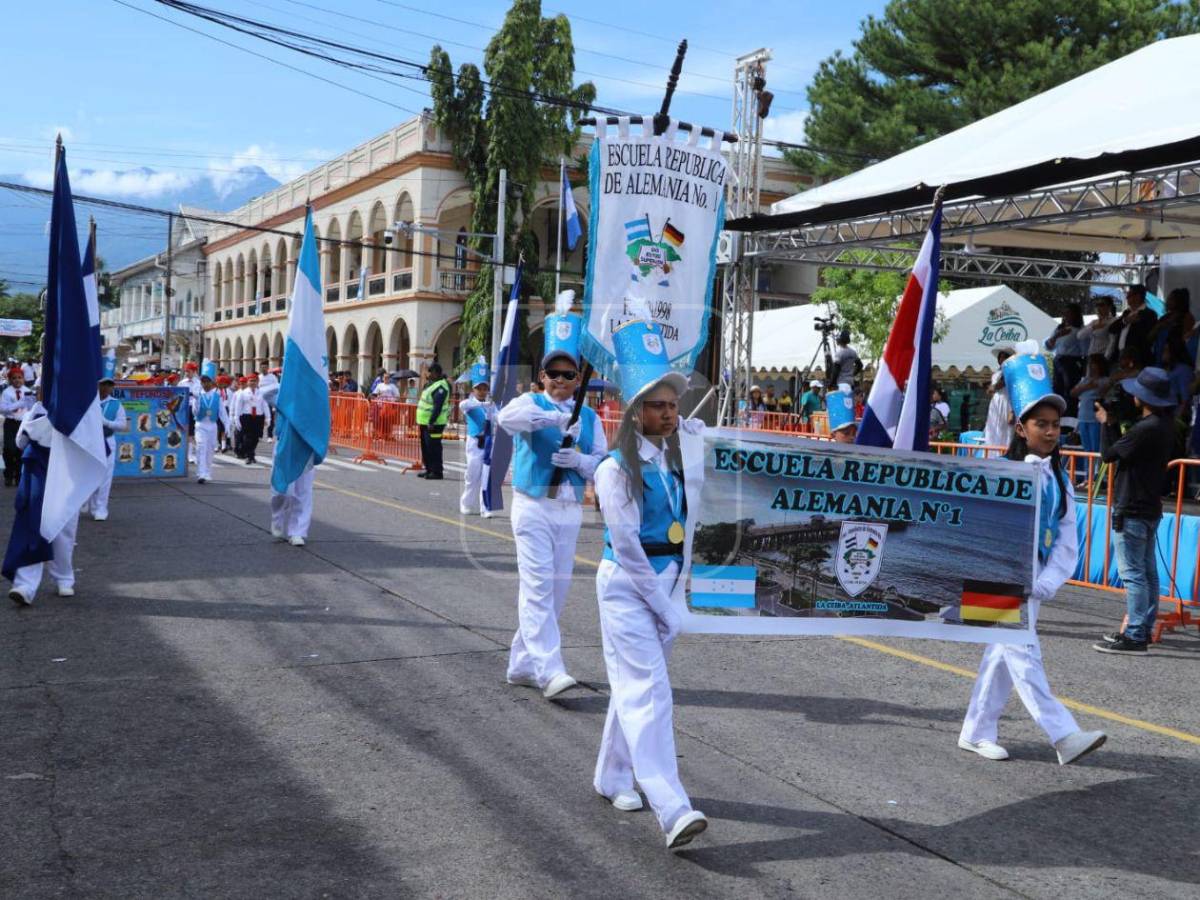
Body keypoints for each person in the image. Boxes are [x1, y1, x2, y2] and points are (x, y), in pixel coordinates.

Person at [959, 342, 1107, 765]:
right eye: (1040, 423)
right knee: (1023, 654)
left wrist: (1046, 581)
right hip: (995, 578)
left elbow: (1066, 539)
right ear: (1019, 427)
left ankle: (975, 730)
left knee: (1002, 659)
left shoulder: (1060, 480)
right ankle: (1063, 734)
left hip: (1032, 584)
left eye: (1055, 425)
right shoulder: (999, 475)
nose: (1050, 431)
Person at [592, 313, 707, 851]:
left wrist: (676, 594)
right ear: (635, 412)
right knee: (651, 692)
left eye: (672, 404)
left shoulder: (676, 459)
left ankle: (612, 775)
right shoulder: (614, 469)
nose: (669, 413)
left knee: (633, 687)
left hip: (667, 584)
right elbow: (629, 545)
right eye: (657, 405)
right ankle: (671, 805)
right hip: (628, 588)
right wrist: (661, 604)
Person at [496, 293, 607, 699]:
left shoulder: (592, 417)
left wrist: (578, 460)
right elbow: (505, 419)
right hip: (532, 507)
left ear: (580, 379)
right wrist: (552, 417)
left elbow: (603, 464)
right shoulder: (530, 402)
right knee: (538, 588)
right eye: (553, 374)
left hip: (569, 509)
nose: (561, 381)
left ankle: (521, 663)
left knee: (555, 595)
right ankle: (549, 669)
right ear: (542, 376)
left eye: (568, 375)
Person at [1093, 367, 1179, 653]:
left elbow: (1108, 455)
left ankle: (1136, 634)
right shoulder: (1165, 426)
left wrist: (1106, 423)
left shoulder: (1145, 429)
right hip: (1150, 507)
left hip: (1131, 507)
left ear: (1143, 397)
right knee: (1148, 573)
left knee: (1133, 574)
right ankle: (1142, 628)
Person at [4, 395, 78, 605]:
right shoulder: (36, 410)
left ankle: (64, 578)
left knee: (63, 528)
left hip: (65, 470)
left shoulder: (77, 409)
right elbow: (20, 442)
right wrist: (35, 421)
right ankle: (26, 584)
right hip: (39, 472)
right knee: (33, 525)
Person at [87, 366, 128, 520]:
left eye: (109, 385)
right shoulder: (89, 402)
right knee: (90, 474)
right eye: (103, 384)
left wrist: (107, 423)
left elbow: (122, 425)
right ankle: (91, 504)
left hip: (108, 441)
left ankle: (101, 508)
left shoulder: (116, 404)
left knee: (105, 477)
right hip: (90, 441)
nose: (106, 388)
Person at [458, 358, 494, 517]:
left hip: (488, 442)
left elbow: (500, 418)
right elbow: (463, 406)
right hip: (474, 443)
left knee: (487, 476)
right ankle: (466, 503)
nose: (482, 391)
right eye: (479, 388)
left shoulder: (491, 405)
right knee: (472, 475)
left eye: (484, 388)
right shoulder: (469, 404)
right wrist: (483, 405)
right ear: (473, 389)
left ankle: (485, 507)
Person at [192, 363, 231, 484]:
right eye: (203, 382)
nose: (205, 384)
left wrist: (227, 425)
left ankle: (207, 471)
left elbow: (222, 413)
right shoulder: (198, 396)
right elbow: (195, 412)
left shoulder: (217, 396)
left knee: (210, 449)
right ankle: (201, 473)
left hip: (212, 426)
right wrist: (197, 402)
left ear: (212, 382)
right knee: (201, 447)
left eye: (207, 381)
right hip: (201, 425)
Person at [1045, 303, 1085, 413]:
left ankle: (1070, 417)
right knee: (1057, 390)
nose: (1066, 315)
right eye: (1065, 313)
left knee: (1069, 391)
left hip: (1071, 362)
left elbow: (1084, 350)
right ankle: (1058, 415)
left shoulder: (1080, 330)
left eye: (1069, 313)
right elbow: (1048, 346)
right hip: (1058, 360)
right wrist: (1058, 335)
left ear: (1075, 315)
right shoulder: (1059, 328)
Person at [1108, 284, 1158, 366]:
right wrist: (1125, 321)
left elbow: (1148, 338)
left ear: (1137, 296)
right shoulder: (1127, 313)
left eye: (1129, 295)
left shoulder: (1149, 314)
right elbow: (1112, 329)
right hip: (1120, 355)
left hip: (1136, 359)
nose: (1126, 297)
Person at [416, 362, 451, 480]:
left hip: (435, 423)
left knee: (434, 447)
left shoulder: (441, 387)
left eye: (430, 372)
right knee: (426, 447)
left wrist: (431, 421)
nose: (428, 374)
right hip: (425, 422)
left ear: (436, 373)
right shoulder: (431, 384)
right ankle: (429, 469)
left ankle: (437, 471)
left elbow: (438, 406)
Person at [1, 367, 36, 486]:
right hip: (11, 424)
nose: (17, 380)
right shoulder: (7, 392)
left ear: (24, 379)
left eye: (20, 378)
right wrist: (19, 404)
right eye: (14, 378)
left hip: (23, 423)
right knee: (9, 449)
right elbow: (3, 409)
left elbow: (31, 409)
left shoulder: (27, 391)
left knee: (21, 450)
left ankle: (19, 475)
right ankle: (8, 474)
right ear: (10, 380)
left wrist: (32, 403)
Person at [1071, 354, 1110, 456]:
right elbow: (1073, 393)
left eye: (1093, 363)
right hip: (1083, 418)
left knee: (1095, 448)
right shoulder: (1085, 380)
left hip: (1095, 419)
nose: (1091, 366)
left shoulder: (1105, 380)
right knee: (1086, 449)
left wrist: (1087, 386)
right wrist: (1086, 386)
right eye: (1089, 364)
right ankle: (1088, 471)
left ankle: (1096, 471)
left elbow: (1103, 392)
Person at [1148, 287, 1195, 367]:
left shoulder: (1187, 317)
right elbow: (1149, 338)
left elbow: (1186, 340)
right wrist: (1158, 327)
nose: (1167, 301)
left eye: (1170, 299)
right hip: (1158, 358)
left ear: (1179, 302)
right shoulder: (1165, 317)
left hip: (1176, 361)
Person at [233, 373, 271, 465]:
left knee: (256, 438)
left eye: (255, 381)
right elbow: (238, 406)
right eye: (251, 381)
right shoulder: (243, 393)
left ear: (258, 382)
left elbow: (265, 405)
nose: (253, 383)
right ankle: (249, 456)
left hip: (258, 417)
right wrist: (236, 418)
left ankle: (250, 454)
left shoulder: (261, 393)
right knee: (247, 438)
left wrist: (268, 417)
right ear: (248, 382)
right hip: (247, 417)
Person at [983, 347, 1015, 452]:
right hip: (996, 401)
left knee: (1004, 428)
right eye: (1000, 357)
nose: (1001, 359)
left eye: (1003, 357)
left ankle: (1004, 452)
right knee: (993, 426)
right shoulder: (998, 371)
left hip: (1006, 402)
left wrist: (1012, 411)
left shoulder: (1010, 371)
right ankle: (992, 452)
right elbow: (992, 389)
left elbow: (999, 385)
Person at [1078, 297, 1117, 362]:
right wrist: (1093, 327)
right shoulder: (1094, 322)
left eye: (1101, 305)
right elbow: (1079, 336)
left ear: (1109, 307)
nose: (1098, 308)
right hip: (1091, 355)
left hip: (1103, 356)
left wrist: (1105, 358)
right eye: (1097, 305)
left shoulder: (1113, 321)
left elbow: (1112, 342)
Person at [258, 363, 280, 440]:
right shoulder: (259, 377)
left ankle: (269, 435)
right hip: (260, 401)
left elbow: (277, 388)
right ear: (260, 368)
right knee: (260, 417)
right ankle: (259, 434)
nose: (263, 369)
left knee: (270, 417)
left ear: (268, 368)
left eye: (265, 367)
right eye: (262, 367)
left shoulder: (273, 377)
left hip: (269, 401)